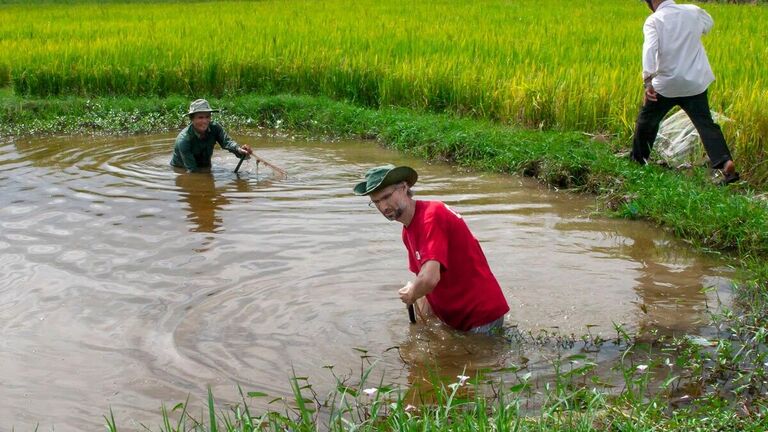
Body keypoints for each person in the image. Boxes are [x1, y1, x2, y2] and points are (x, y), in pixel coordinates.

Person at [354, 164, 510, 335]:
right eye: (376, 202)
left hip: (480, 318)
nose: (383, 207)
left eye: (386, 197)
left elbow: (429, 279)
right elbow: (425, 285)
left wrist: (411, 294)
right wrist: (420, 330)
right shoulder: (408, 231)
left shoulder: (432, 216)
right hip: (459, 321)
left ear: (404, 187)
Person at [631, 0, 738, 185]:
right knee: (705, 124)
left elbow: (649, 50)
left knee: (646, 121)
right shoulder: (693, 12)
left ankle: (638, 163)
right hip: (694, 84)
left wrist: (648, 82)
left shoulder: (654, 21)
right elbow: (708, 25)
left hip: (666, 85)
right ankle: (725, 161)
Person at [170, 99, 253, 172]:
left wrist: (238, 149)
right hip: (181, 168)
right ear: (192, 119)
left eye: (207, 117)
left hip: (204, 166)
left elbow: (227, 142)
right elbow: (192, 170)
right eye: (200, 117)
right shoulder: (184, 140)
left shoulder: (215, 128)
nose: (205, 121)